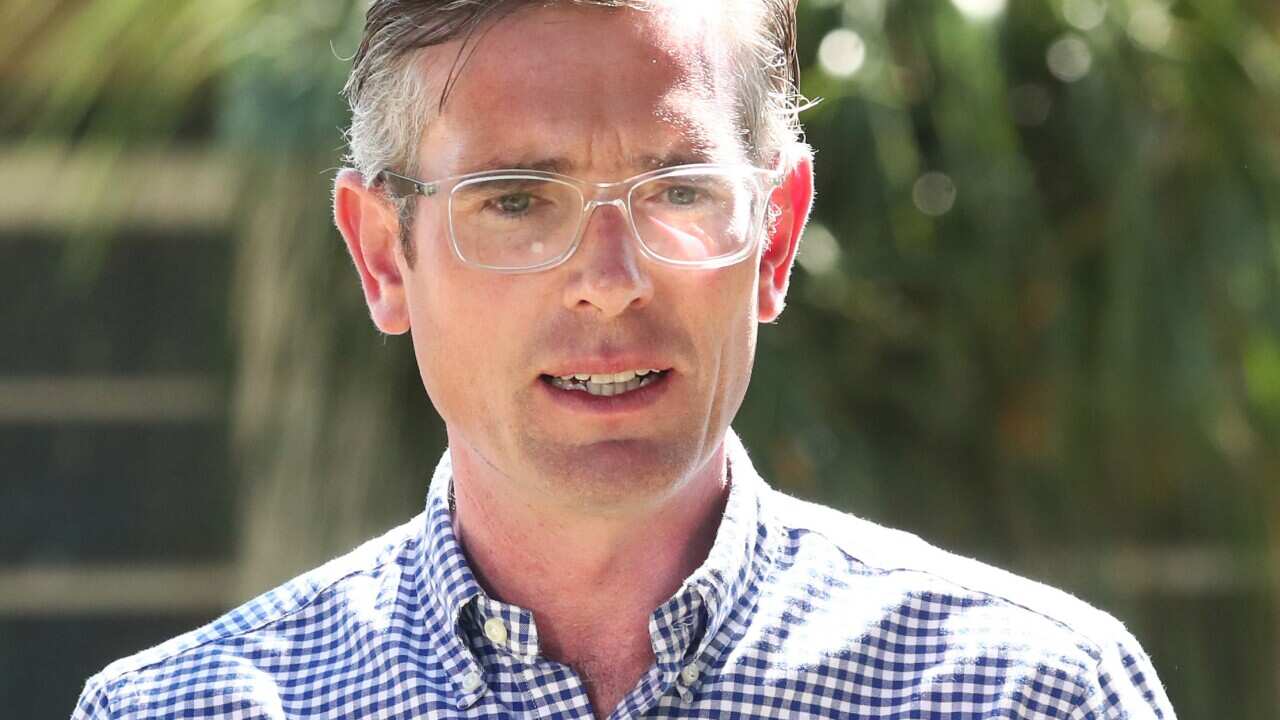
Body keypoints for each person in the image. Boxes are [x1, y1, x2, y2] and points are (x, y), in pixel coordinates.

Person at [74, 1, 1176, 718]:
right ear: (382, 258)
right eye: (514, 200)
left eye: (677, 192)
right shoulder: (179, 711)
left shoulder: (1029, 693)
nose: (609, 277)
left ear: (775, 237)